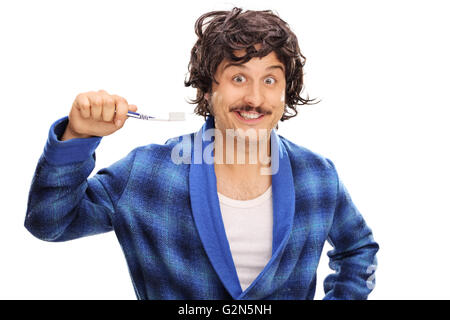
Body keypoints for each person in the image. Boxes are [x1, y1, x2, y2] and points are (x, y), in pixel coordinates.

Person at [25, 7, 379, 300]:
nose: (255, 98)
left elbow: (358, 248)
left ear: (286, 91)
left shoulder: (317, 175)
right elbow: (49, 222)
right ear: (208, 90)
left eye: (270, 80)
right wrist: (78, 137)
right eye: (238, 78)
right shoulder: (147, 173)